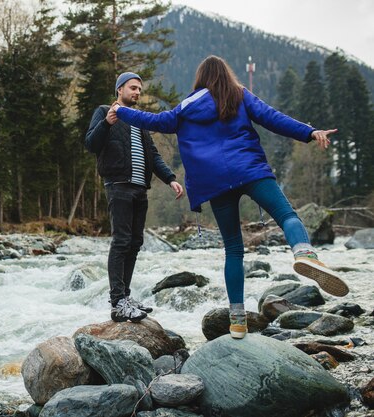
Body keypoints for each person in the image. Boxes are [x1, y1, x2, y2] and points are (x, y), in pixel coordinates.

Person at [111, 56, 349, 338]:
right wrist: (310, 132)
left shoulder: (187, 106)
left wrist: (121, 111)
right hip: (250, 170)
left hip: (215, 182)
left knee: (234, 249)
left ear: (200, 78)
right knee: (287, 215)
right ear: (226, 74)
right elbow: (274, 119)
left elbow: (157, 121)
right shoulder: (239, 95)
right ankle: (305, 253)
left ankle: (237, 320)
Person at [85, 72, 184, 323]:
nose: (137, 92)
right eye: (133, 88)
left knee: (135, 242)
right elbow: (90, 144)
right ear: (120, 89)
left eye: (139, 89)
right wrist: (106, 123)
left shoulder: (139, 121)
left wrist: (170, 178)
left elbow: (153, 154)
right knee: (121, 241)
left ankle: (125, 297)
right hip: (118, 185)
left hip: (141, 188)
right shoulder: (104, 112)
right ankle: (118, 301)